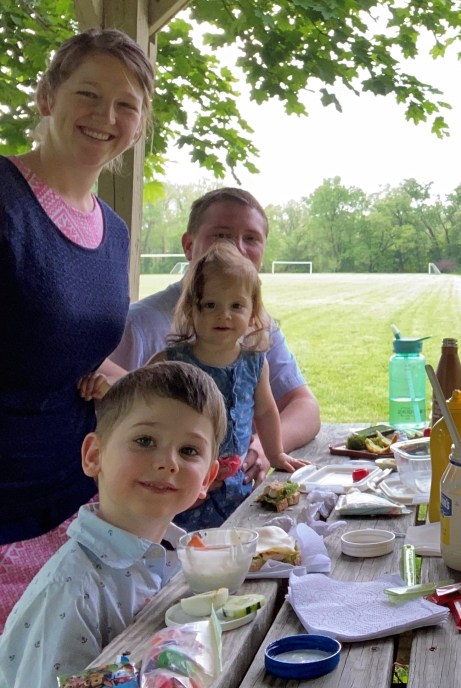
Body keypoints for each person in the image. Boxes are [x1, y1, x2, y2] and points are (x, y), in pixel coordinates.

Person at [0, 29, 155, 631]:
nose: (105, 116)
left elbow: (68, 348)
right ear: (47, 97)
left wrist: (124, 386)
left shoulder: (112, 231)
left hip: (79, 502)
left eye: (126, 105)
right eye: (88, 94)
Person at [0, 361, 227, 687]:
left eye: (189, 450)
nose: (168, 462)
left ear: (206, 478)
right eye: (145, 440)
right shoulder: (73, 593)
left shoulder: (181, 560)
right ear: (94, 455)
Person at [109, 187, 321, 486]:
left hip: (235, 488)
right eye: (221, 236)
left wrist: (263, 449)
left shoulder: (257, 327)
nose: (237, 248)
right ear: (189, 245)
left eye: (251, 238)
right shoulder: (139, 326)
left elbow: (304, 406)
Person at [149, 241, 309, 528]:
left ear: (252, 312)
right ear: (191, 309)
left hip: (237, 487)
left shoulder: (255, 363)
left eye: (236, 306)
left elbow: (265, 412)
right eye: (210, 305)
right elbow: (140, 414)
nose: (224, 315)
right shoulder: (170, 363)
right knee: (185, 547)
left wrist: (275, 454)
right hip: (184, 489)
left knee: (239, 537)